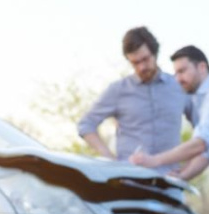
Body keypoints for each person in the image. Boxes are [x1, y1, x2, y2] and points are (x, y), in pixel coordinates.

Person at [130, 45, 209, 186]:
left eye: (182, 71)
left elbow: (199, 145)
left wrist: (154, 160)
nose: (178, 79)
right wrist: (182, 175)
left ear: (202, 67)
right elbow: (208, 152)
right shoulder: (203, 100)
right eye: (175, 74)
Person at [77, 27, 189, 174]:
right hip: (129, 180)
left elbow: (203, 133)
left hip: (170, 182)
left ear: (155, 54)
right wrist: (110, 161)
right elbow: (86, 124)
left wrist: (187, 171)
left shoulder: (179, 86)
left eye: (145, 59)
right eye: (135, 63)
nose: (142, 67)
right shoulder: (118, 90)